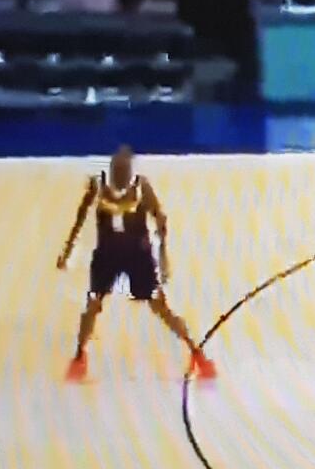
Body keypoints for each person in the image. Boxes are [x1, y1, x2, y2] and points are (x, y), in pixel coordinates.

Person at [55, 145, 217, 383]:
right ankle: (79, 358)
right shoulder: (98, 185)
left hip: (137, 256)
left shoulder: (141, 187)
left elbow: (160, 220)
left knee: (160, 306)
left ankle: (196, 353)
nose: (121, 176)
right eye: (117, 171)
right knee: (93, 303)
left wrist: (163, 257)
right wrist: (68, 251)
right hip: (107, 255)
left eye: (124, 172)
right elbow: (80, 219)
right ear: (111, 170)